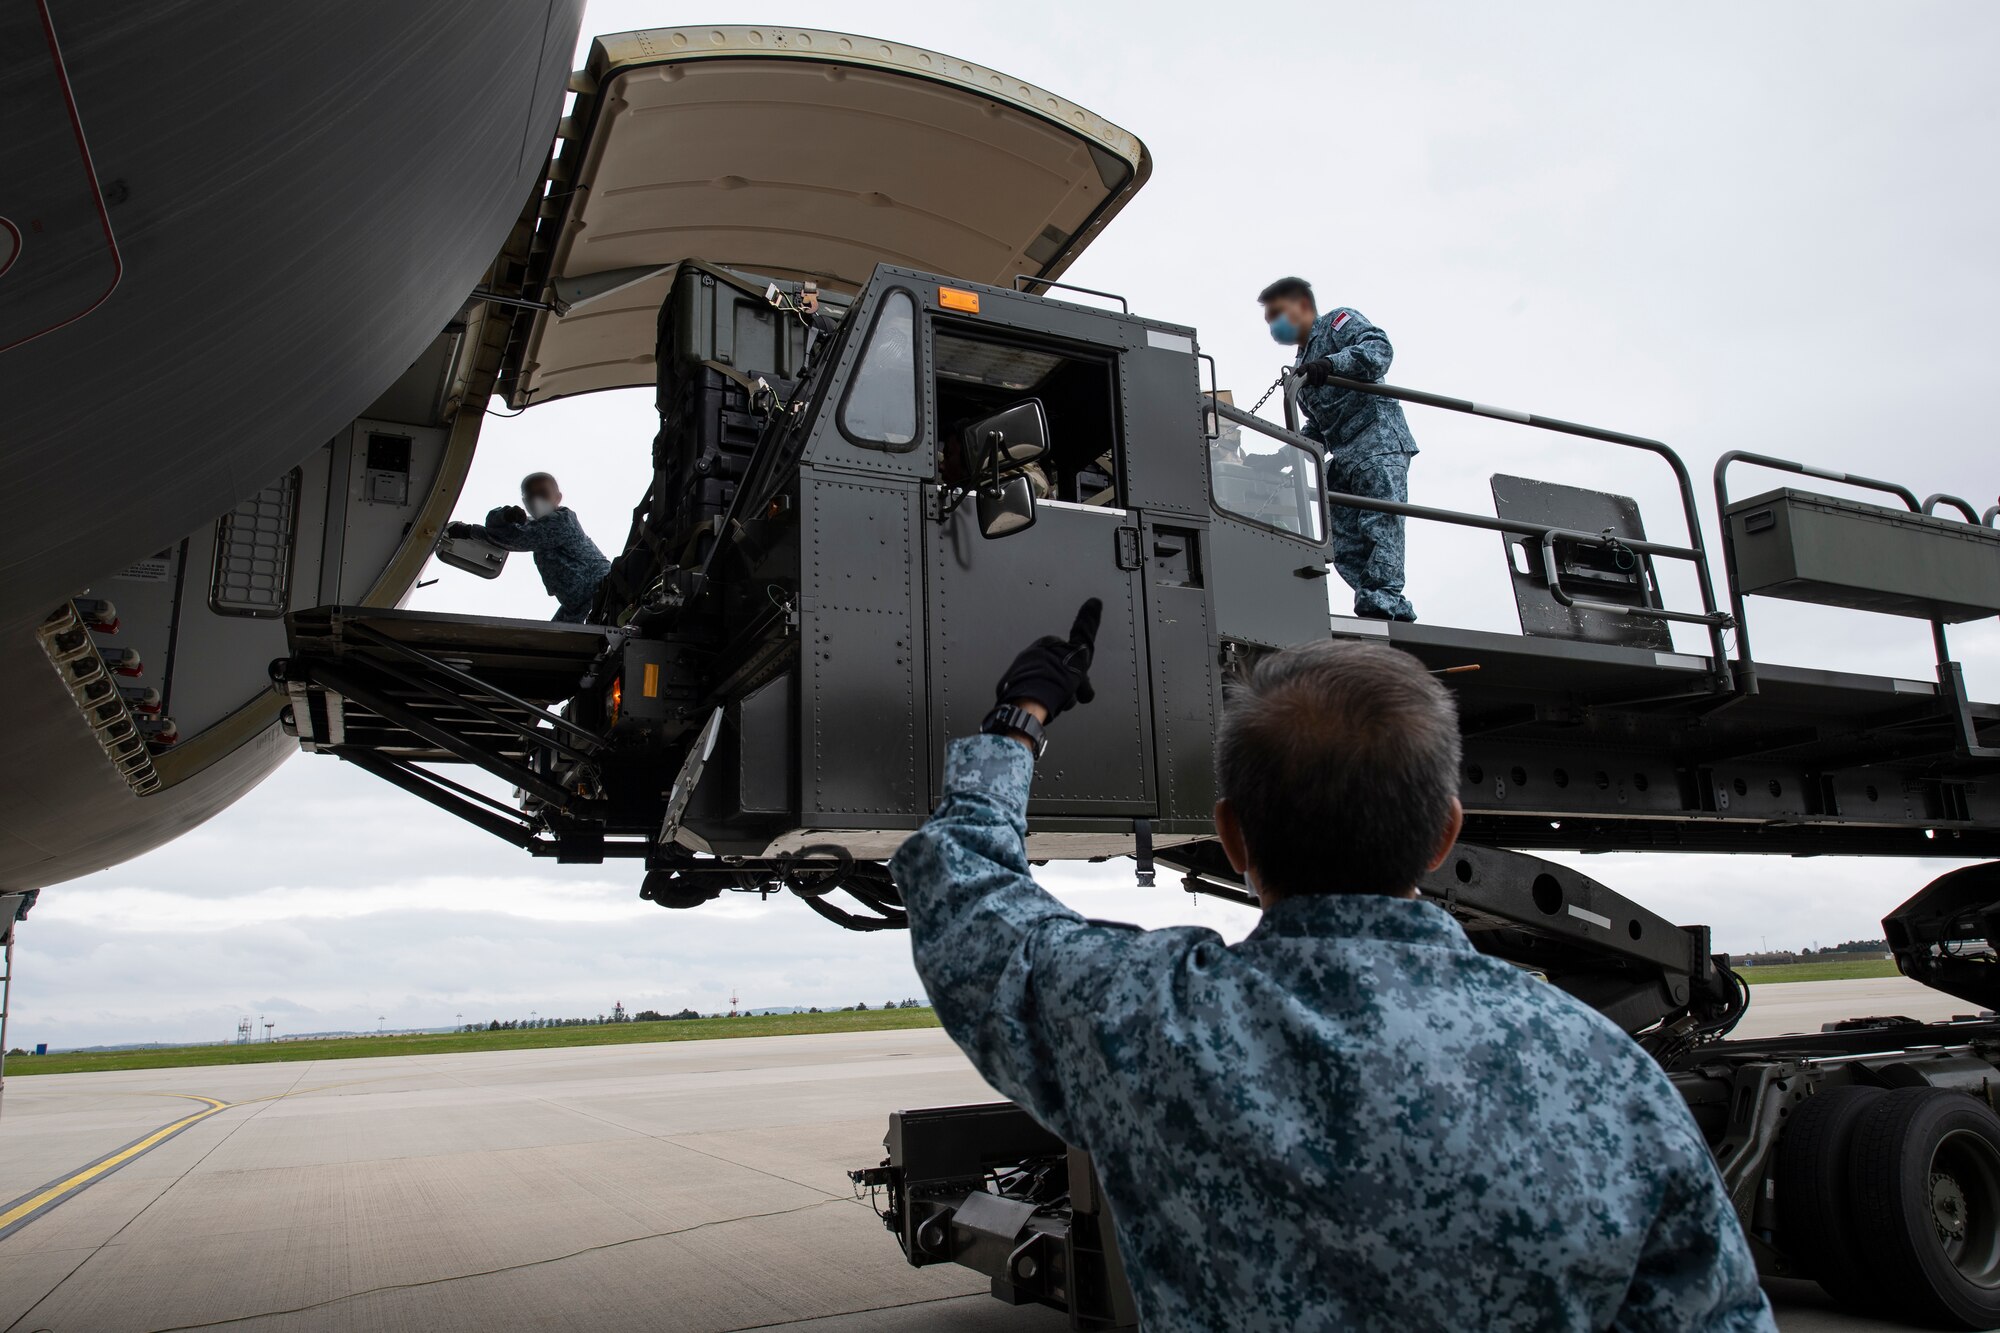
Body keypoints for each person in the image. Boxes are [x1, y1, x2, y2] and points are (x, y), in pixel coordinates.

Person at [891, 612, 1774, 1333]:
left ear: (1233, 838)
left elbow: (967, 898)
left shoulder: (1148, 1023)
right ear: (1444, 835)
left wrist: (1020, 720)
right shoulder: (1607, 1074)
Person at [1260, 276, 1419, 621]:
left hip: (1377, 440)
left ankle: (1386, 598)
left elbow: (1379, 350)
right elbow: (1317, 427)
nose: (1275, 326)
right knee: (1341, 538)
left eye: (1277, 315)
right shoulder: (1302, 367)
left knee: (1380, 521)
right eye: (1270, 320)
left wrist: (1332, 364)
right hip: (1344, 456)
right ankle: (1375, 599)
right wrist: (1282, 458)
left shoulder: (1337, 324)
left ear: (1302, 307)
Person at [447, 473, 609, 624]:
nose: (536, 500)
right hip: (579, 604)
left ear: (558, 497)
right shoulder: (536, 524)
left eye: (542, 493)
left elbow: (515, 539)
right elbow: (502, 532)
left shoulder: (562, 522)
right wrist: (506, 515)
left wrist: (469, 531)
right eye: (530, 496)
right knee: (551, 643)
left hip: (602, 594)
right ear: (525, 502)